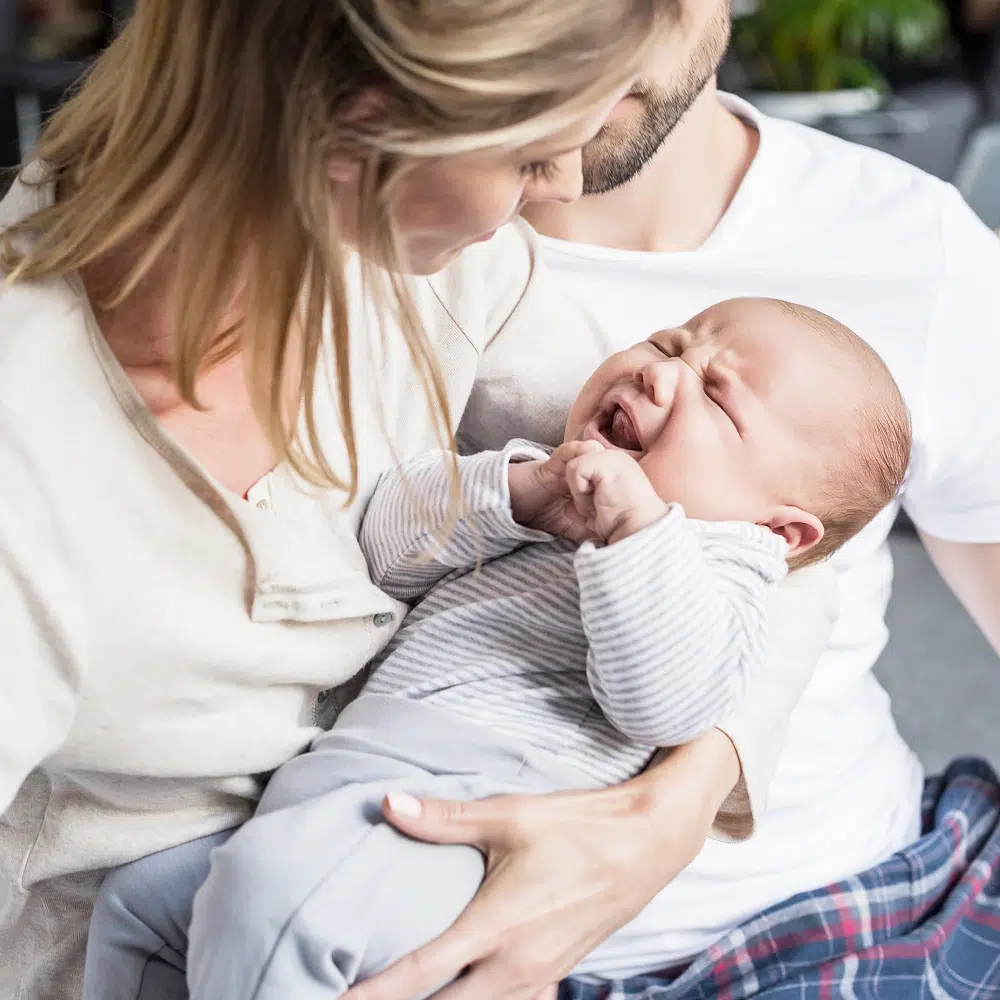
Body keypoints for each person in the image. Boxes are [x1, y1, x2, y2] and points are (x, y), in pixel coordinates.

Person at [0, 2, 841, 1000]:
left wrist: (658, 821)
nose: (562, 188)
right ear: (358, 131)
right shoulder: (31, 454)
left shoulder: (436, 269)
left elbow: (768, 529)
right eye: (533, 159)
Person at [336, 2, 1000, 997]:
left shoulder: (910, 243)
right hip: (411, 919)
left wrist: (685, 799)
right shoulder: (355, 234)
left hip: (850, 899)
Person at [83, 298, 909, 1000]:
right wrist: (519, 493)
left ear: (780, 529)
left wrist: (636, 533)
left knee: (272, 900)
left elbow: (666, 701)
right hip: (337, 786)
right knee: (141, 904)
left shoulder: (725, 569)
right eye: (667, 344)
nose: (661, 373)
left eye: (718, 400)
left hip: (465, 815)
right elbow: (384, 548)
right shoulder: (541, 483)